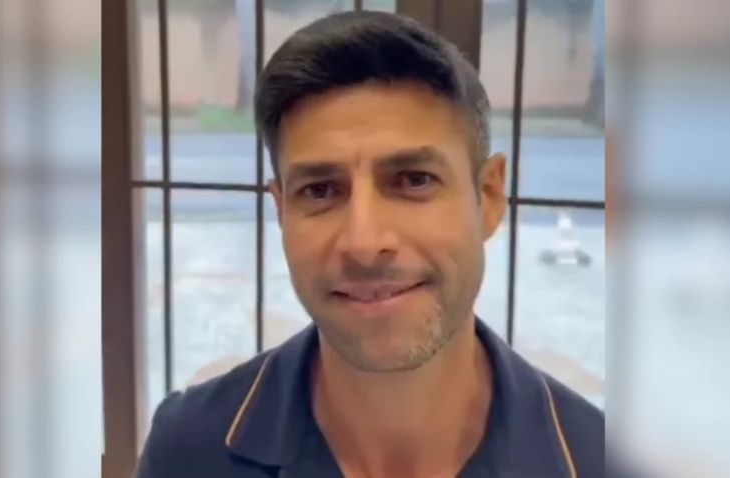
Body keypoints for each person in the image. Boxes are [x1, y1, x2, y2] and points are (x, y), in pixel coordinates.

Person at [136, 11, 603, 478]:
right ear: (281, 211)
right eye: (320, 190)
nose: (364, 243)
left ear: (490, 196)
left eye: (414, 180)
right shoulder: (189, 451)